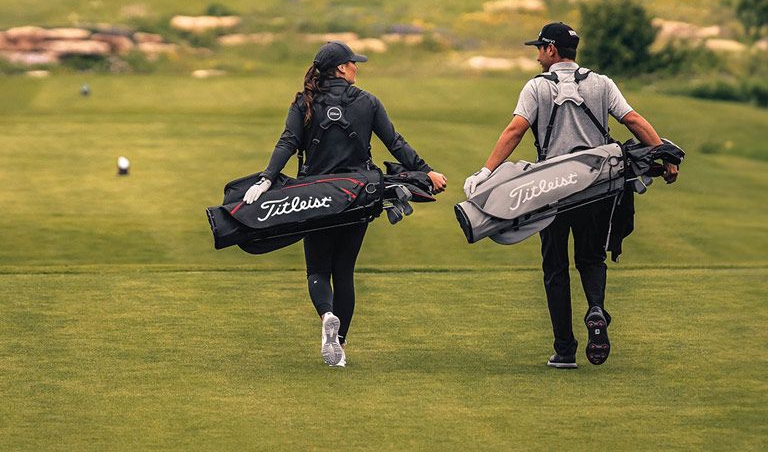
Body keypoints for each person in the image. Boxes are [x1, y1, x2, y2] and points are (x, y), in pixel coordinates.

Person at [463, 22, 678, 369]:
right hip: (598, 188)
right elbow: (633, 120)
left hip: (551, 191)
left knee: (555, 268)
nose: (536, 56)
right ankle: (595, 308)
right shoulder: (601, 82)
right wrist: (664, 153)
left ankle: (564, 351)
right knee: (591, 259)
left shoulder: (536, 88)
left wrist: (486, 172)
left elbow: (516, 129)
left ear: (551, 50)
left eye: (539, 49)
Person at [243, 41, 447, 367]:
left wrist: (267, 178)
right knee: (344, 271)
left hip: (316, 196)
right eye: (353, 63)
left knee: (318, 270)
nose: (357, 67)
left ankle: (326, 315)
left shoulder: (304, 102)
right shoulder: (367, 101)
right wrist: (426, 170)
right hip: (358, 195)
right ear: (341, 68)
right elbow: (395, 143)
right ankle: (339, 346)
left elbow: (288, 142)